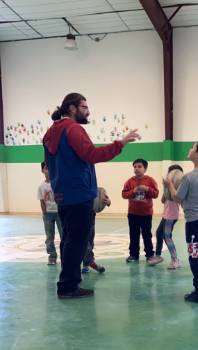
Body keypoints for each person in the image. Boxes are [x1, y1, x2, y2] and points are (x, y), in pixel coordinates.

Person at [43, 93, 140, 299]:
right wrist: (120, 143)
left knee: (69, 240)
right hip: (79, 195)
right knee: (77, 241)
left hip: (63, 194)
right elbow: (93, 155)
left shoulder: (51, 133)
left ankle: (67, 282)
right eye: (84, 107)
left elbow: (50, 168)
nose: (88, 111)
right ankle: (68, 286)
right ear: (71, 108)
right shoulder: (73, 129)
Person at [164, 139, 198, 304]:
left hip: (195, 224)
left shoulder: (188, 177)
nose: (190, 149)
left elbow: (177, 198)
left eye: (193, 147)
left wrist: (170, 184)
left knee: (195, 256)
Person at [122, 158, 160, 265]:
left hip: (146, 214)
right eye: (135, 166)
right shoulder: (129, 181)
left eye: (139, 166)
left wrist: (147, 189)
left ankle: (149, 255)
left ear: (145, 168)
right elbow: (124, 194)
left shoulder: (150, 180)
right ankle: (133, 254)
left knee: (147, 235)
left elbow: (156, 194)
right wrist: (133, 191)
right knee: (133, 235)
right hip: (133, 213)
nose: (137, 169)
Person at [155, 164, 183, 269]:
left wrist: (170, 186)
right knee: (159, 233)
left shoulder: (177, 188)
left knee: (167, 237)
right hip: (166, 215)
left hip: (171, 216)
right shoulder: (168, 188)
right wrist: (165, 188)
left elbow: (175, 198)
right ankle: (157, 255)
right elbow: (163, 200)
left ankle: (175, 259)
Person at [38, 161, 62, 265]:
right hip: (48, 214)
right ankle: (52, 256)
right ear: (42, 170)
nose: (48, 170)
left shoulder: (58, 182)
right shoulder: (41, 186)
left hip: (60, 213)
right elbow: (42, 201)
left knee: (64, 235)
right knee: (49, 236)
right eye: (46, 168)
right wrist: (45, 213)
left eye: (50, 168)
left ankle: (66, 255)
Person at [82, 188, 112, 274]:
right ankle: (91, 262)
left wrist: (108, 202)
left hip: (91, 217)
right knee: (84, 241)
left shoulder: (96, 189)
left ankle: (86, 264)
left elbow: (101, 199)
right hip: (79, 216)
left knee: (90, 241)